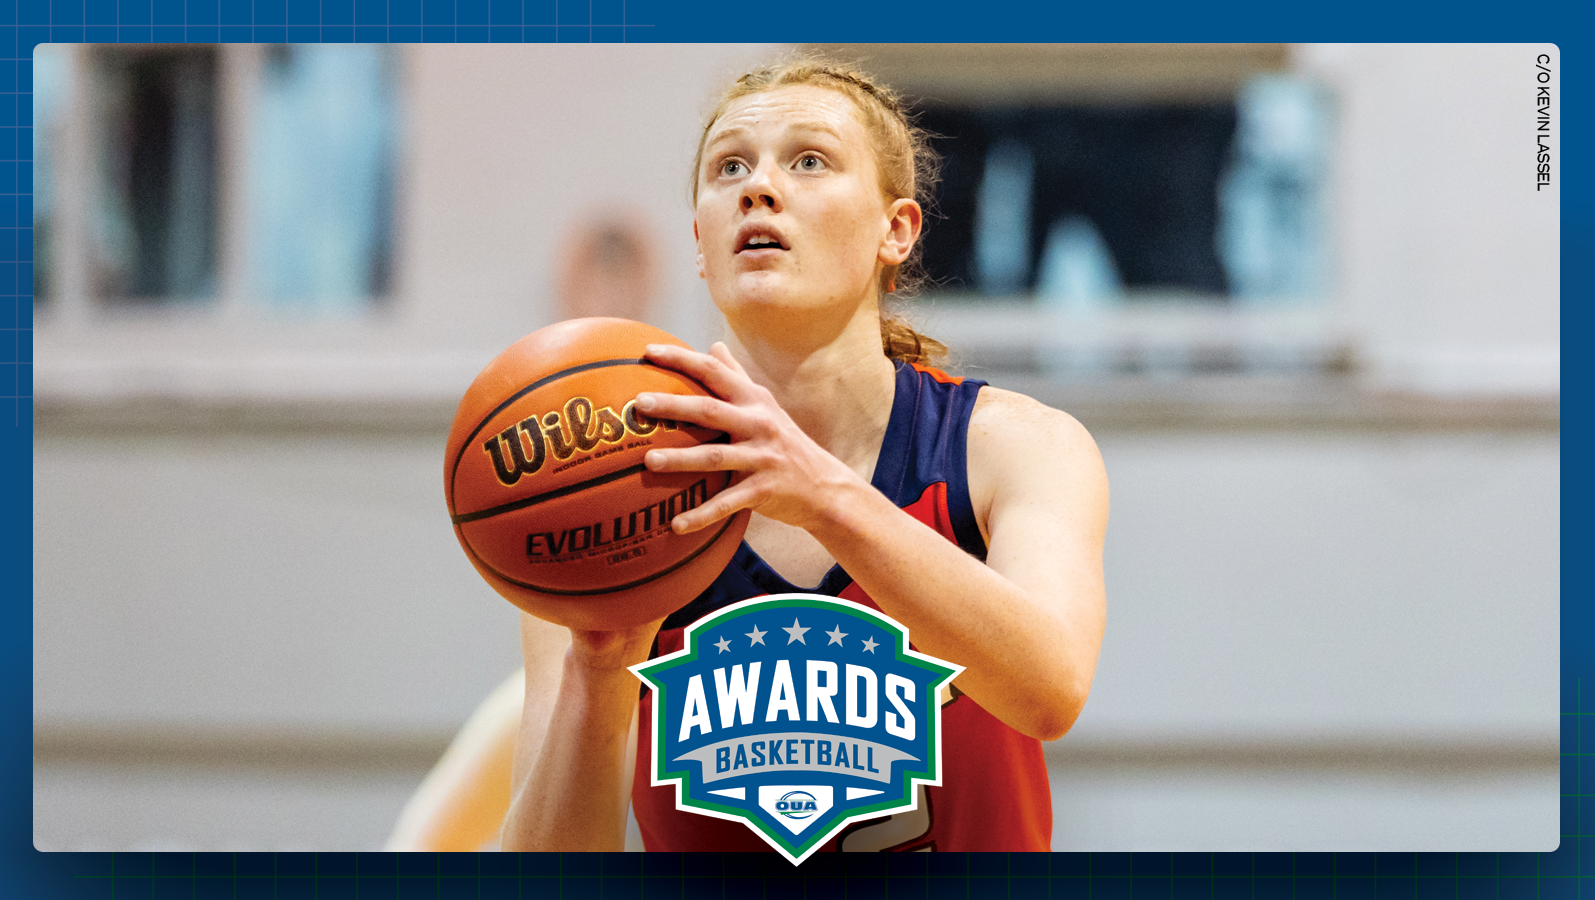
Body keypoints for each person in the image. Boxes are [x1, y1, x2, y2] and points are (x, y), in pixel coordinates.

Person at [408, 55, 1109, 854]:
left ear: (896, 228)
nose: (758, 187)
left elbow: (1051, 689)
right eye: (729, 166)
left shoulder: (1011, 446)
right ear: (702, 243)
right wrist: (599, 676)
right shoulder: (604, 490)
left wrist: (825, 498)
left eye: (809, 160)